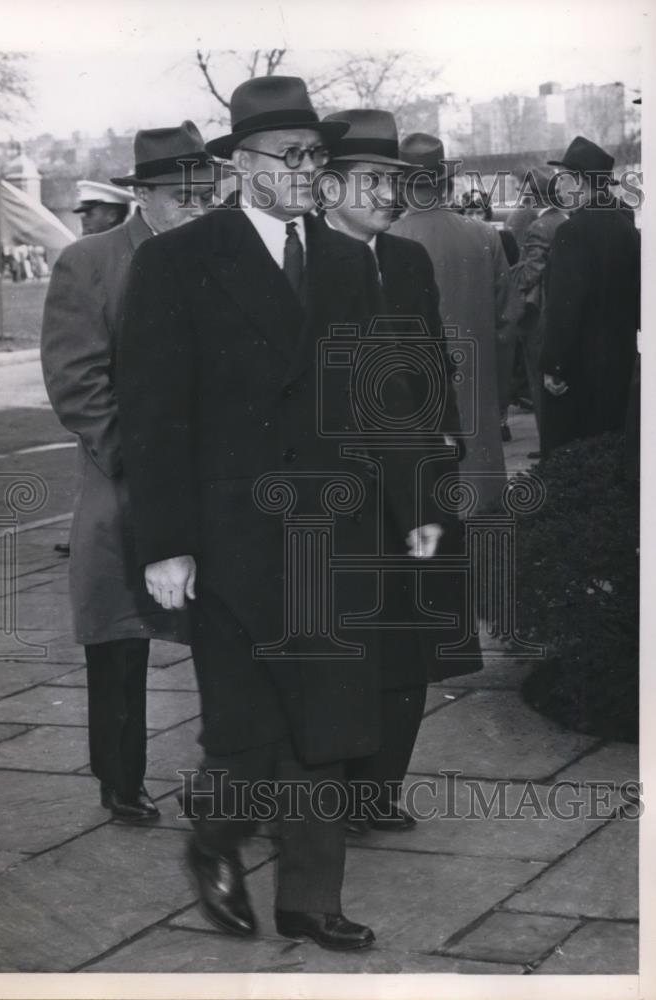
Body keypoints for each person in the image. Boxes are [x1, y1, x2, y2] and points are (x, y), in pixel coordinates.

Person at [117, 75, 426, 950]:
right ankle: (215, 840)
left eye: (315, 156)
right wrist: (166, 545)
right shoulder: (177, 260)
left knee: (327, 719)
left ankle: (309, 899)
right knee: (246, 725)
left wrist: (409, 507)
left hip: (334, 527)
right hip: (229, 537)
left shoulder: (345, 261)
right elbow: (154, 415)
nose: (306, 171)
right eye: (290, 155)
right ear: (241, 166)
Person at [41, 122, 215, 825]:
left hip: (218, 482)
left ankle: (231, 774)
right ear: (142, 194)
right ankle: (121, 781)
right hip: (126, 485)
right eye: (182, 194)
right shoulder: (91, 261)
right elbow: (77, 384)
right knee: (119, 638)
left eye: (207, 193)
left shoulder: (224, 255)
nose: (198, 205)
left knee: (230, 634)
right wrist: (145, 466)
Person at [317, 108, 482, 837]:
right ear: (328, 187)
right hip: (343, 488)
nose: (390, 194)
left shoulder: (409, 259)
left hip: (416, 480)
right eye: (373, 181)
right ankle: (328, 789)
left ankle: (378, 789)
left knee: (412, 636)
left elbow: (434, 360)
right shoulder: (300, 261)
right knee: (344, 639)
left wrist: (445, 446)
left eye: (396, 180)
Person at [391, 134, 510, 511]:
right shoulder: (485, 235)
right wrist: (503, 394)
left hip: (419, 395)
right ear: (446, 183)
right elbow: (507, 323)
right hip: (479, 385)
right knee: (484, 500)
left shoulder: (388, 241)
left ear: (401, 186)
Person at [540, 135, 641, 455]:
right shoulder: (627, 228)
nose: (558, 186)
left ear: (581, 183)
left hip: (578, 370)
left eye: (563, 178)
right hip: (620, 361)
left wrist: (555, 366)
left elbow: (563, 308)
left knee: (573, 457)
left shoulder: (573, 232)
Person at [514, 168, 568, 453]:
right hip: (559, 309)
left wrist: (511, 281)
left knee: (538, 379)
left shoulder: (539, 226)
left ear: (535, 197)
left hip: (538, 315)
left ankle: (547, 444)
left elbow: (531, 271)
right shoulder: (563, 220)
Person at [460, 191, 521, 442]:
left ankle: (501, 418)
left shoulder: (502, 237)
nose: (475, 217)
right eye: (470, 212)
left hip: (496, 305)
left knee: (500, 369)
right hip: (473, 306)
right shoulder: (461, 238)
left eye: (479, 212)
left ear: (487, 213)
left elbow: (514, 271)